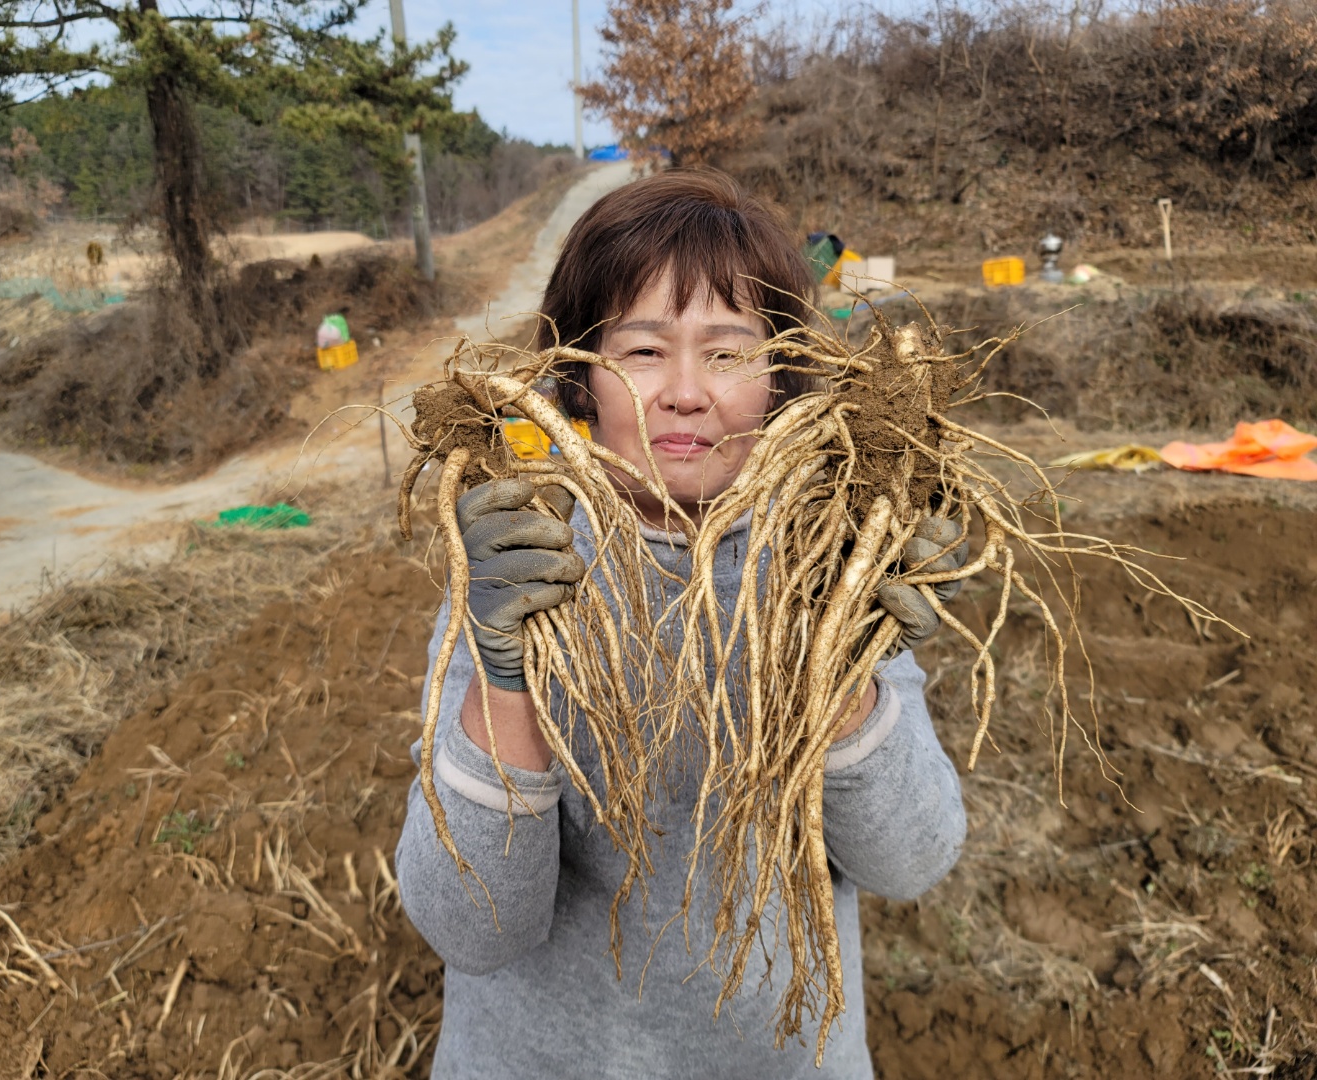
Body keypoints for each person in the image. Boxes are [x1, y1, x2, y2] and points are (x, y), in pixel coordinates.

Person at [395, 169, 967, 1079]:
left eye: (730, 351)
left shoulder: (829, 557)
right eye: (644, 351)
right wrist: (507, 679)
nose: (687, 393)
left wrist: (840, 665)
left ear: (781, 376)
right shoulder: (520, 566)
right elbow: (472, 928)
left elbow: (911, 860)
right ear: (578, 381)